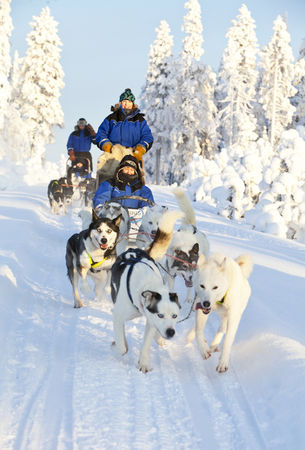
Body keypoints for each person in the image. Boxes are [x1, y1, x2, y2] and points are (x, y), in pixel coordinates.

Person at [95, 88, 153, 162]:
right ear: (120, 103)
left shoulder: (139, 120)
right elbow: (101, 133)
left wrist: (140, 148)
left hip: (133, 154)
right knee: (104, 169)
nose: (126, 104)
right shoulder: (111, 118)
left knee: (136, 172)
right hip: (113, 154)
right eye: (124, 101)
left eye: (129, 102)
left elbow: (147, 136)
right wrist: (106, 145)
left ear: (133, 104)